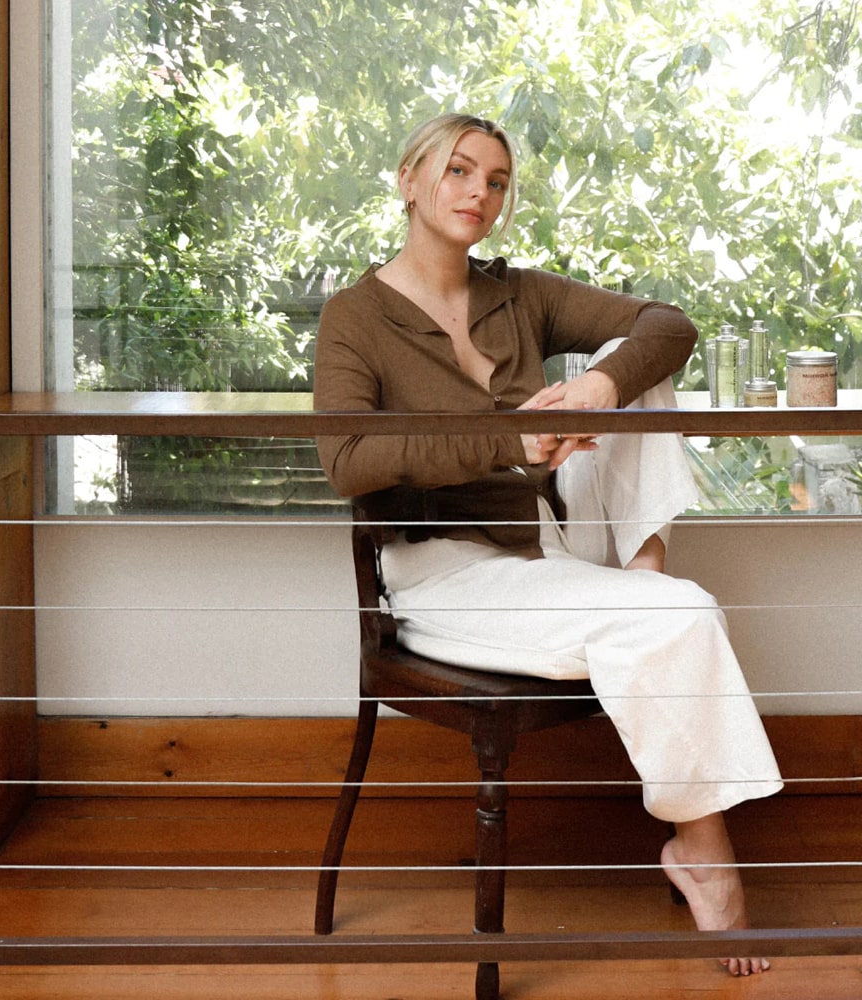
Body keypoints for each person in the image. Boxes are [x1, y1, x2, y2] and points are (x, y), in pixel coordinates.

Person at [314, 112, 783, 977]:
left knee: (633, 360)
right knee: (684, 617)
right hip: (445, 574)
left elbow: (669, 323)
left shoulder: (516, 293)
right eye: (458, 171)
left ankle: (639, 578)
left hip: (547, 543)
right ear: (410, 180)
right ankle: (702, 855)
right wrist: (507, 440)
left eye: (496, 181)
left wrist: (599, 384)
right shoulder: (355, 318)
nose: (478, 193)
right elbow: (347, 461)